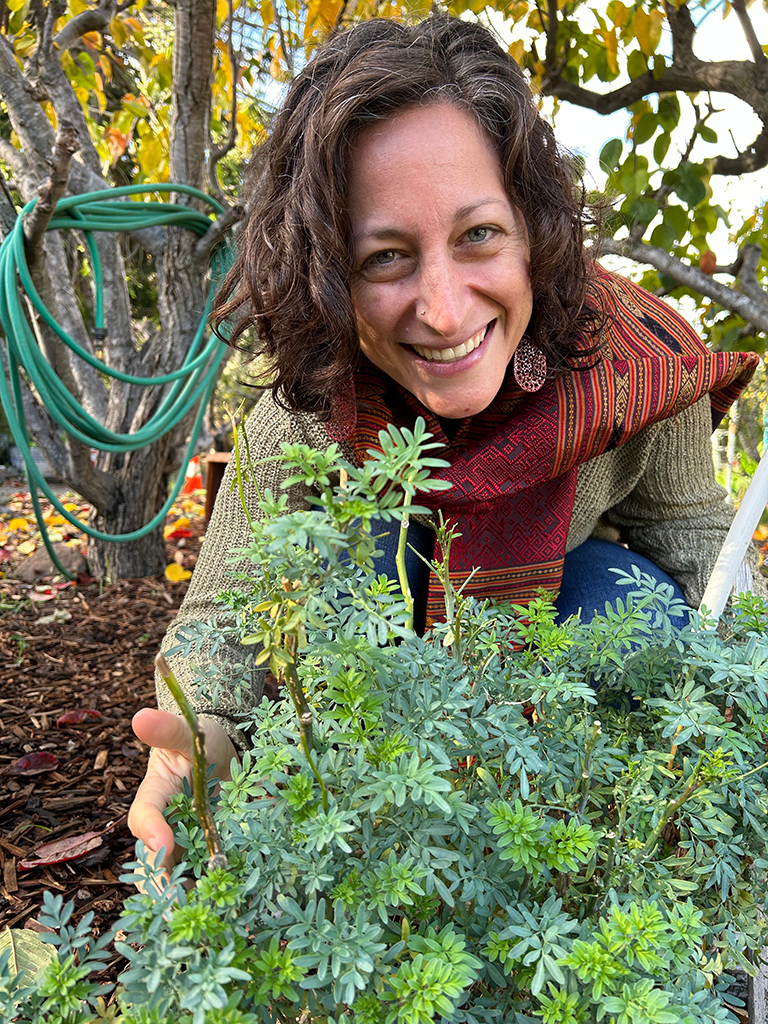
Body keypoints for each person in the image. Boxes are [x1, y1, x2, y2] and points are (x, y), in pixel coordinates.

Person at [127, 14, 762, 871]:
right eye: (385, 256)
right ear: (327, 273)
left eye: (478, 236)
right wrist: (197, 731)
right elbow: (228, 612)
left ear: (533, 226)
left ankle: (574, 844)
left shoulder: (639, 374)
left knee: (630, 598)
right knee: (345, 584)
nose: (445, 310)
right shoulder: (307, 412)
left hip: (552, 665)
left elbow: (702, 558)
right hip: (379, 723)